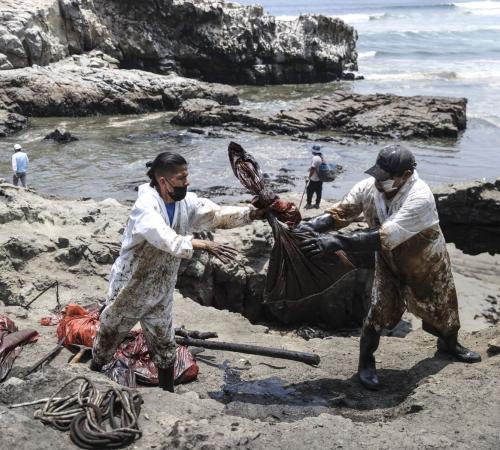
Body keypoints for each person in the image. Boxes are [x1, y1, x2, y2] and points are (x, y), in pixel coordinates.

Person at [297, 144, 481, 390]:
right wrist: (311, 227)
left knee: (443, 306)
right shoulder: (370, 187)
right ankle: (366, 362)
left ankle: (449, 344)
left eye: (385, 177)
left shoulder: (420, 197)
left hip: (425, 260)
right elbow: (341, 212)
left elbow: (384, 234)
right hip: (389, 261)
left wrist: (336, 242)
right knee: (377, 311)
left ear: (405, 175)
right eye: (377, 174)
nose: (378, 180)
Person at [92, 152, 267, 392]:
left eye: (187, 176)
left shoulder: (185, 203)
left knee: (164, 343)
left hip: (161, 285)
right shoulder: (146, 205)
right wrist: (203, 244)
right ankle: (94, 370)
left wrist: (252, 213)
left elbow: (214, 215)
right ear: (163, 181)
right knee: (111, 332)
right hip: (131, 285)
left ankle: (168, 393)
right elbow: (163, 237)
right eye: (181, 178)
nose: (187, 182)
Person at [305, 144, 324, 209]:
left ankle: (309, 204)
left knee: (309, 191)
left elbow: (313, 168)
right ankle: (317, 204)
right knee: (319, 191)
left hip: (314, 179)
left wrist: (308, 177)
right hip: (320, 178)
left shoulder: (315, 158)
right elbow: (316, 167)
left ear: (313, 151)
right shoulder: (321, 157)